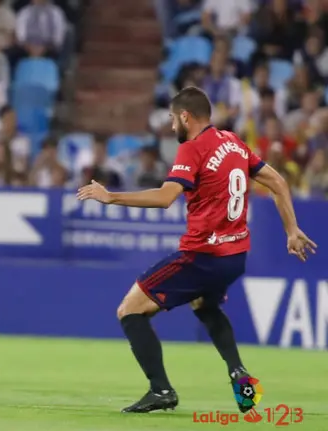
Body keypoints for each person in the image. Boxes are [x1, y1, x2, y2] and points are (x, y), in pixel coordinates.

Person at [77, 86, 317, 414]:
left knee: (129, 310)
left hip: (203, 255)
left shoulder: (193, 148)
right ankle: (241, 378)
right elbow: (277, 182)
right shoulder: (233, 142)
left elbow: (164, 198)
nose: (172, 126)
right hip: (235, 257)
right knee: (205, 306)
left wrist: (112, 196)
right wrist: (291, 230)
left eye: (174, 119)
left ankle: (160, 390)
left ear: (186, 116)